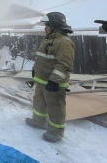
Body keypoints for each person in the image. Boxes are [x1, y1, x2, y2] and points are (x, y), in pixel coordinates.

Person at [25, 12, 75, 143]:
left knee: (55, 107)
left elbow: (64, 64)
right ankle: (39, 121)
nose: (45, 28)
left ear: (54, 26)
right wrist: (35, 70)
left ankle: (56, 132)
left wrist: (54, 81)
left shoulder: (64, 43)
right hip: (42, 81)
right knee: (39, 102)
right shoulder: (48, 40)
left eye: (47, 25)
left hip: (54, 84)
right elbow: (42, 59)